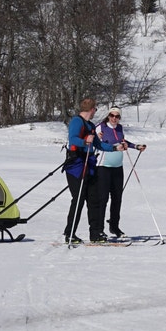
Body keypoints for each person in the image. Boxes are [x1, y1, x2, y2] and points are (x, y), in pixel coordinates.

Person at [94, 107, 147, 240]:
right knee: (103, 198)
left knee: (117, 198)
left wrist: (136, 146)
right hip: (103, 166)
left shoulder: (119, 128)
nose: (114, 118)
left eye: (117, 116)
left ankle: (114, 226)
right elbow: (96, 143)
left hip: (117, 166)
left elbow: (123, 141)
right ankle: (99, 229)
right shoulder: (101, 127)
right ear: (108, 116)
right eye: (112, 115)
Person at [63, 97, 100, 243]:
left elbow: (99, 144)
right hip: (76, 165)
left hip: (89, 164)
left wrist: (116, 148)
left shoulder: (90, 125)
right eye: (95, 109)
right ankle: (70, 233)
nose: (95, 111)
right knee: (78, 200)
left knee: (93, 200)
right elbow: (73, 139)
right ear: (91, 109)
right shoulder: (77, 121)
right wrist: (84, 141)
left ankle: (95, 233)